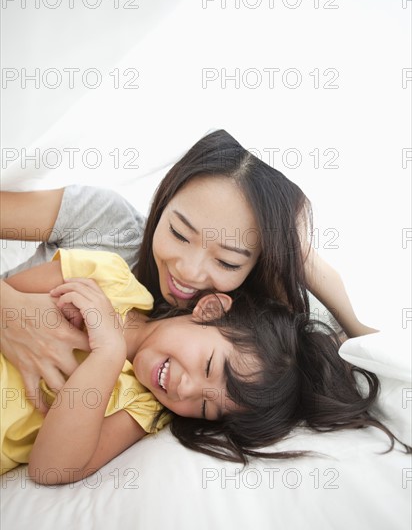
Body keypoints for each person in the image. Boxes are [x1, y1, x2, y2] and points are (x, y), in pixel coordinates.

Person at [0, 129, 377, 411]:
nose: (189, 272)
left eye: (228, 261)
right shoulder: (109, 226)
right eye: (179, 233)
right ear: (163, 201)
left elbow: (354, 346)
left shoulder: (227, 348)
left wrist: (296, 252)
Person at [1, 249, 405, 485]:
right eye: (209, 366)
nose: (187, 390)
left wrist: (108, 355)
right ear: (210, 309)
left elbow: (51, 468)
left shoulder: (142, 410)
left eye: (207, 408)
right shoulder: (108, 278)